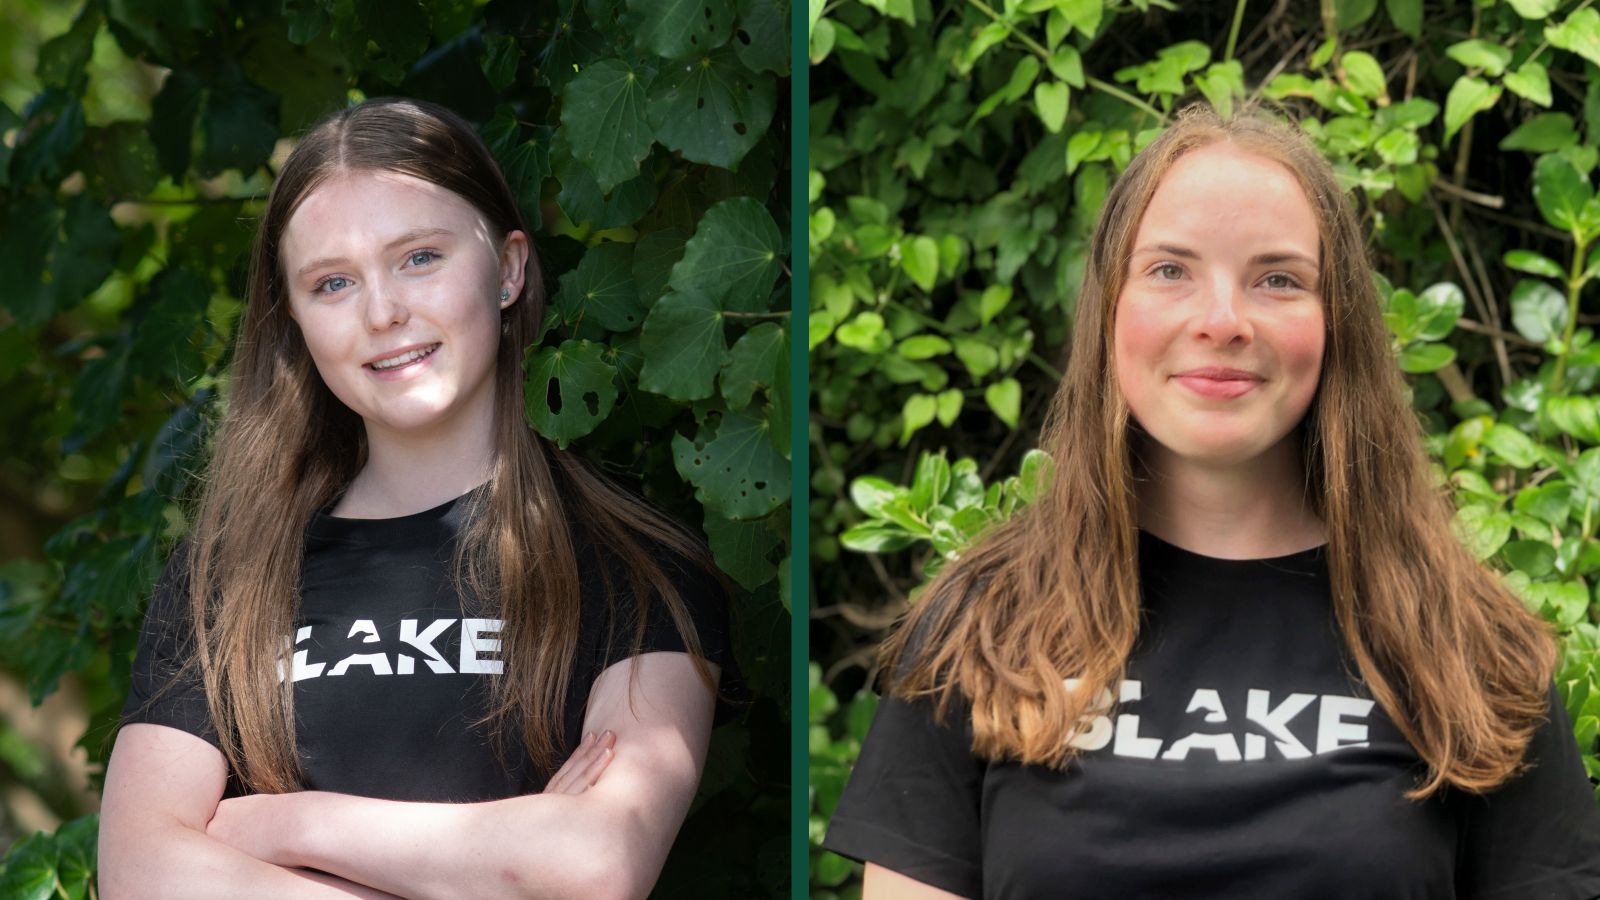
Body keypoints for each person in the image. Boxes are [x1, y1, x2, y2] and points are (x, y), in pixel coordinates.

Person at [822, 103, 1600, 898]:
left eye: (1278, 279)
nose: (1223, 321)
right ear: (1109, 309)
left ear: (1337, 322)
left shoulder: (1466, 646)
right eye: (1170, 270)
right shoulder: (985, 627)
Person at [98, 97, 736, 899]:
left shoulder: (636, 568)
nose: (383, 313)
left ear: (508, 269)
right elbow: (139, 874)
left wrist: (285, 825)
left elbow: (599, 864)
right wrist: (508, 866)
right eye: (333, 283)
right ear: (295, 321)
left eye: (420, 258)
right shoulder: (226, 582)